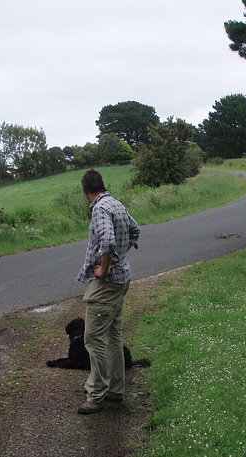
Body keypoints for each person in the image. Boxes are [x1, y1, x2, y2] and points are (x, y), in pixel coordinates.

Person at [76, 169, 140, 415]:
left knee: (93, 338)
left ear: (85, 191)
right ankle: (115, 389)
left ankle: (96, 394)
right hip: (121, 280)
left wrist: (104, 267)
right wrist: (119, 259)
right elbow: (135, 232)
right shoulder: (117, 204)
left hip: (106, 284)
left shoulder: (100, 209)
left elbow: (107, 240)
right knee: (113, 336)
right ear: (103, 184)